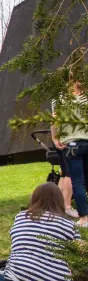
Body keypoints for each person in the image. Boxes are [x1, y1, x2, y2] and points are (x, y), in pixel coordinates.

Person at [54, 81, 88, 225]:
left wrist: (55, 138)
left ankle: (84, 218)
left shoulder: (60, 99)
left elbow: (54, 119)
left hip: (71, 144)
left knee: (78, 182)